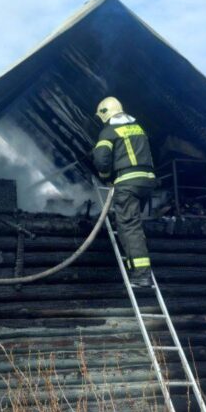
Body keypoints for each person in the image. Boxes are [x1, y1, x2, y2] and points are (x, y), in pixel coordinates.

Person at [92, 96, 157, 287]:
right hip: (147, 182)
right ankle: (138, 262)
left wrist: (105, 176)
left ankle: (141, 275)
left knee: (129, 227)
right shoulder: (138, 128)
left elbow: (101, 160)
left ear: (105, 113)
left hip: (128, 183)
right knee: (134, 225)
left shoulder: (109, 132)